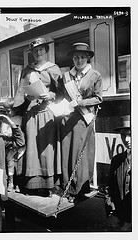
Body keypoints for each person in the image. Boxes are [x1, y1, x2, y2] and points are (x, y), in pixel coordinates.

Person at [13, 37, 62, 197]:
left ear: (46, 51)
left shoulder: (54, 69)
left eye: (41, 49)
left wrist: (51, 94)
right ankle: (30, 184)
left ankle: (48, 185)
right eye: (35, 51)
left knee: (46, 150)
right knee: (32, 149)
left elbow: (61, 91)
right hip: (30, 113)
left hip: (47, 113)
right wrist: (27, 97)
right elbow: (21, 92)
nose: (38, 52)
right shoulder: (27, 71)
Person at [59, 43, 103, 203]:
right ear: (72, 58)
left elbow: (98, 99)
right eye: (76, 57)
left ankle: (78, 189)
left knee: (81, 155)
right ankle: (67, 187)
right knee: (67, 153)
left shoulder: (94, 75)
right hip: (68, 118)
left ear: (88, 58)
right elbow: (63, 95)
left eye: (82, 57)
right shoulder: (66, 76)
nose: (79, 60)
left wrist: (81, 102)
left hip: (84, 120)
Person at [105, 115, 131, 231]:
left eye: (130, 134)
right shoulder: (116, 160)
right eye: (123, 135)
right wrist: (111, 212)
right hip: (118, 217)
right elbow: (109, 188)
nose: (126, 139)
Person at [1, 98, 26, 192]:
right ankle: (10, 181)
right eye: (6, 110)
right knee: (9, 163)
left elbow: (20, 134)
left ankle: (18, 183)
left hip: (18, 145)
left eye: (9, 110)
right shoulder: (4, 119)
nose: (8, 112)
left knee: (18, 165)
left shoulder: (20, 119)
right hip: (9, 144)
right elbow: (4, 131)